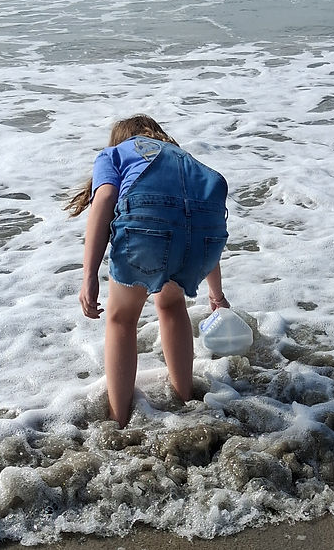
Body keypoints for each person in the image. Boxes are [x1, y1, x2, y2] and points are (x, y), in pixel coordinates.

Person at [66, 115, 230, 425]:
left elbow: (104, 201)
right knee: (170, 303)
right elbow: (198, 226)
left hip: (148, 229)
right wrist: (216, 294)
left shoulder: (114, 153)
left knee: (121, 319)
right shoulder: (184, 158)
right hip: (204, 240)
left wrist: (88, 277)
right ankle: (185, 397)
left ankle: (119, 418)